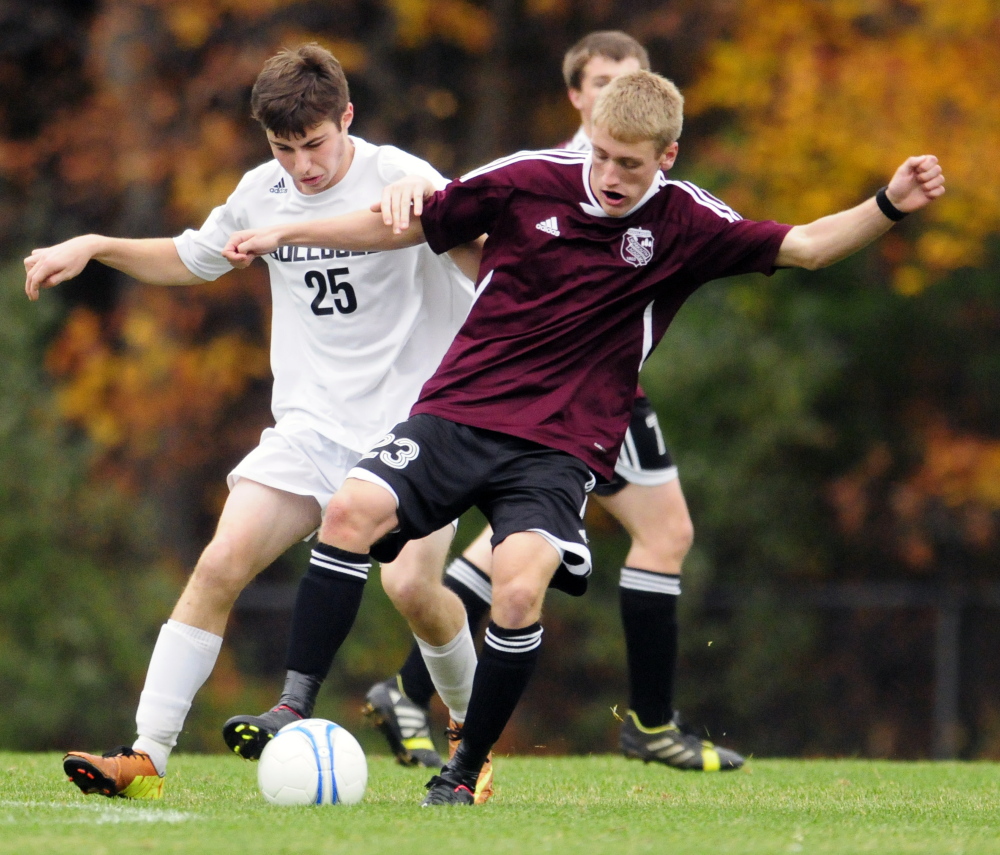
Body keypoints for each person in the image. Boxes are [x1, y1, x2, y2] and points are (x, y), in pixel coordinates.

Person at [221, 69, 944, 805]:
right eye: (598, 154)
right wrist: (288, 228)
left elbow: (810, 245)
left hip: (558, 451)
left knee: (519, 589)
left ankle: (464, 769)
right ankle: (292, 705)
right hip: (457, 413)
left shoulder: (687, 223)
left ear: (666, 156)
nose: (607, 175)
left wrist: (890, 204)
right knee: (348, 513)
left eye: (628, 163)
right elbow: (406, 223)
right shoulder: (529, 178)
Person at [23, 43, 482, 800]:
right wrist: (97, 246)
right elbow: (191, 257)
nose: (301, 166)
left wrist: (437, 217)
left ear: (347, 119)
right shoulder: (260, 192)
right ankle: (146, 756)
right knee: (219, 561)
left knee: (411, 588)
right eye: (283, 148)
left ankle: (472, 741)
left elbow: (484, 250)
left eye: (315, 144)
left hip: (418, 428)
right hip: (309, 427)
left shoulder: (403, 177)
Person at [361, 29, 743, 775]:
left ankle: (413, 687)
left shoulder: (647, 185)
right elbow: (467, 230)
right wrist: (411, 197)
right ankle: (649, 723)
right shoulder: (559, 172)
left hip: (600, 388)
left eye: (632, 78)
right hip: (559, 397)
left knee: (543, 540)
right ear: (577, 95)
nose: (617, 92)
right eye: (602, 80)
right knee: (652, 533)